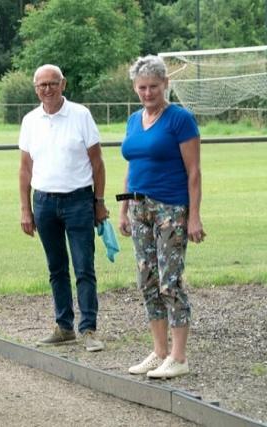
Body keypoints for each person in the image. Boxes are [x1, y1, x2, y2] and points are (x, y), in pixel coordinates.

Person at [118, 55, 205, 379]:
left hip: (171, 209)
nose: (148, 93)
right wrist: (124, 209)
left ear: (165, 84)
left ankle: (179, 357)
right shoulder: (132, 120)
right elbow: (131, 168)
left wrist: (193, 217)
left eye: (154, 86)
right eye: (142, 87)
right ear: (135, 87)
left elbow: (194, 172)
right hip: (139, 210)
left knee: (170, 282)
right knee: (147, 282)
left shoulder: (180, 119)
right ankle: (159, 351)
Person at [19, 64, 108, 352]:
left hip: (78, 200)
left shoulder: (80, 115)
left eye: (52, 83)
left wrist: (99, 202)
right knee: (56, 268)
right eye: (42, 85)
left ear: (63, 84)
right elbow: (25, 168)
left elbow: (97, 163)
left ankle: (89, 329)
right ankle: (64, 326)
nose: (47, 89)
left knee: (84, 266)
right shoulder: (30, 120)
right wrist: (25, 209)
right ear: (35, 88)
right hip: (44, 201)